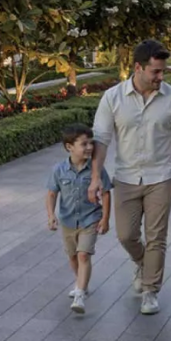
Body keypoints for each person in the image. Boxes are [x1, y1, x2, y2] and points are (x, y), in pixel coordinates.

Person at [89, 39, 171, 315]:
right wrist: (95, 177)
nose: (161, 77)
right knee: (126, 234)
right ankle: (142, 263)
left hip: (161, 177)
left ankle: (151, 290)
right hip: (125, 177)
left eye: (163, 72)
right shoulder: (112, 98)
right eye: (156, 72)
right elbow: (101, 139)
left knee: (157, 237)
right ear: (138, 68)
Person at [46, 123, 112, 315]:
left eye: (91, 143)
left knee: (84, 254)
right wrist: (51, 215)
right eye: (84, 144)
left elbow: (106, 193)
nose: (90, 147)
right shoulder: (59, 170)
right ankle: (80, 282)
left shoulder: (96, 170)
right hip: (68, 220)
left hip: (90, 218)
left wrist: (105, 219)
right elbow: (51, 194)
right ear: (69, 147)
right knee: (73, 256)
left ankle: (80, 294)